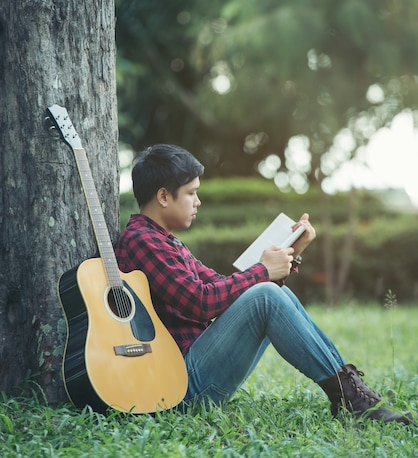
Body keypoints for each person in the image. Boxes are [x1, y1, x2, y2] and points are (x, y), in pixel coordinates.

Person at [114, 144, 413, 424]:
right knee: (266, 296)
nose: (198, 202)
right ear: (164, 197)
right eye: (191, 193)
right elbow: (202, 302)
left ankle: (353, 393)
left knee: (272, 292)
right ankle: (351, 398)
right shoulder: (142, 241)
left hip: (194, 371)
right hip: (183, 388)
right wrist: (261, 272)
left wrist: (289, 252)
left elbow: (220, 286)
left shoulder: (165, 241)